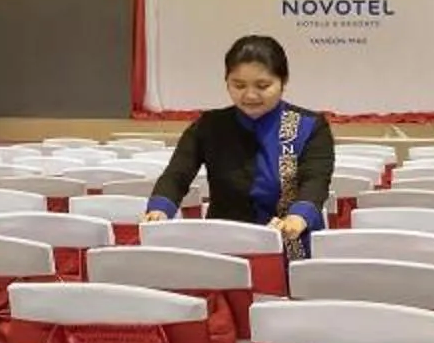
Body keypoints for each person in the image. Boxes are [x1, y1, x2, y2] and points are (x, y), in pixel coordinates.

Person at [142, 34, 332, 239]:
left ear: (283, 81)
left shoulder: (309, 126)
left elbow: (315, 181)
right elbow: (177, 175)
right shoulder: (209, 125)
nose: (250, 95)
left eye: (262, 86)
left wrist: (298, 217)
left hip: (292, 239)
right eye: (239, 85)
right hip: (225, 239)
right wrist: (159, 209)